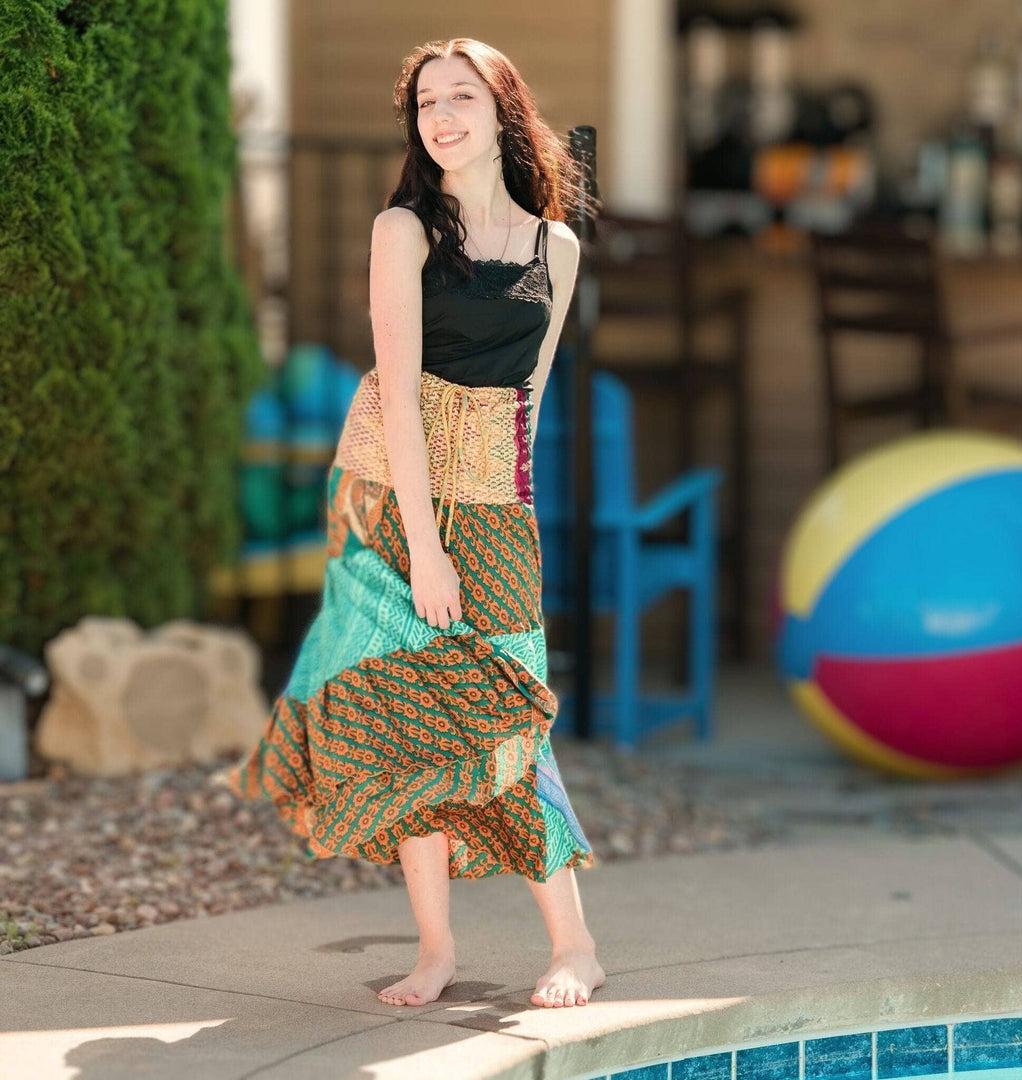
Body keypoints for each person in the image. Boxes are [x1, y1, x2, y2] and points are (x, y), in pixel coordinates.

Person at [227, 38, 605, 1010]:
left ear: (502, 111)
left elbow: (530, 395)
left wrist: (502, 522)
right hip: (389, 497)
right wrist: (427, 550)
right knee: (401, 716)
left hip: (491, 498)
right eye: (427, 102)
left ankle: (576, 947)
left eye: (461, 96)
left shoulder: (554, 248)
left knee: (505, 712)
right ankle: (434, 950)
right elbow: (399, 396)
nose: (442, 115)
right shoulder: (404, 229)